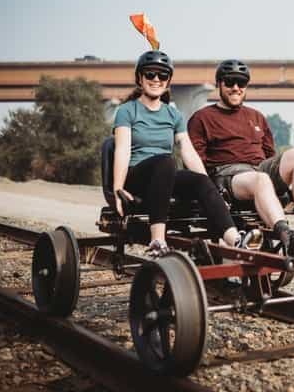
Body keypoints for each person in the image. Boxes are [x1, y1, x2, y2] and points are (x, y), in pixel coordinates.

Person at [112, 50, 261, 257]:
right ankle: (158, 240)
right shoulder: (127, 111)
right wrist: (117, 189)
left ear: (168, 80)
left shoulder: (173, 114)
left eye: (162, 75)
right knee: (166, 162)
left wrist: (207, 183)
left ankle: (235, 240)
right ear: (140, 78)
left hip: (164, 177)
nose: (156, 79)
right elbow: (121, 150)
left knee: (200, 180)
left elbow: (188, 151)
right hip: (137, 177)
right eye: (150, 74)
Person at [187, 59, 294, 257]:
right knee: (261, 180)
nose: (236, 88)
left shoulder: (256, 116)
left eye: (241, 83)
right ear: (219, 84)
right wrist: (211, 192)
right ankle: (287, 237)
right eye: (230, 82)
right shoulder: (202, 118)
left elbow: (270, 155)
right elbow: (195, 160)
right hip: (227, 176)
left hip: (259, 169)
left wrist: (285, 190)